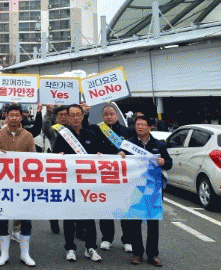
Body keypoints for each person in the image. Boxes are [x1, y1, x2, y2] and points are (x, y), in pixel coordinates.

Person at [52, 104, 113, 263]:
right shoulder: (63, 135)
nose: (75, 118)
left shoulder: (91, 133)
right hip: (70, 182)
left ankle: (91, 247)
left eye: (78, 114)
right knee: (69, 216)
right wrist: (59, 155)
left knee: (89, 216)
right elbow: (54, 156)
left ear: (82, 116)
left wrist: (100, 154)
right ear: (68, 117)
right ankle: (70, 248)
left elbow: (100, 152)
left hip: (87, 182)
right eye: (72, 115)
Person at [0, 103, 37, 267]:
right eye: (11, 115)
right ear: (6, 116)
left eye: (17, 115)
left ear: (21, 117)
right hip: (3, 184)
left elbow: (34, 159)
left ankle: (25, 254)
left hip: (23, 184)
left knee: (26, 219)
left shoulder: (28, 136)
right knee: (2, 218)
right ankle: (4, 254)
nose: (14, 118)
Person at [127, 115, 172, 267]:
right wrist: (121, 155)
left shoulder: (159, 145)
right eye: (137, 124)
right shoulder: (129, 144)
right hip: (134, 188)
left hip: (153, 189)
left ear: (150, 127)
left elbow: (169, 163)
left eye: (143, 124)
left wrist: (164, 162)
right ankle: (137, 253)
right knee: (135, 222)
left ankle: (153, 254)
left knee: (153, 224)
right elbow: (119, 161)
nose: (140, 127)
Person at [94, 104, 134, 253]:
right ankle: (107, 238)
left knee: (125, 207)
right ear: (102, 116)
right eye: (106, 114)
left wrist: (125, 153)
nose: (109, 116)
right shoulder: (97, 130)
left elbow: (133, 149)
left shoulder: (127, 131)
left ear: (117, 115)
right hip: (104, 174)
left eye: (111, 114)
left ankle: (128, 239)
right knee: (105, 207)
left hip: (123, 175)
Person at [41, 104, 71, 235]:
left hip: (72, 168)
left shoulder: (75, 129)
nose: (63, 117)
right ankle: (54, 220)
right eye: (60, 115)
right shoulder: (53, 130)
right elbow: (45, 128)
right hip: (56, 168)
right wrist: (48, 113)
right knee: (55, 197)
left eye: (66, 114)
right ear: (56, 117)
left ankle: (76, 227)